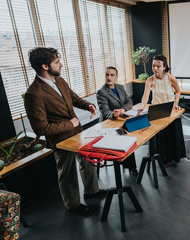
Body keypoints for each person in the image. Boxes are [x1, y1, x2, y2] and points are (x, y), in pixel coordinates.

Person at [24, 47, 104, 215]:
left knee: (87, 162)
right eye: (57, 62)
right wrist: (71, 123)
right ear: (45, 66)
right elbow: (40, 128)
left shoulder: (59, 80)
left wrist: (87, 105)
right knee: (67, 173)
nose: (61, 64)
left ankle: (92, 191)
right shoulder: (34, 93)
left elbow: (73, 98)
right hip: (61, 140)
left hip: (78, 133)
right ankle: (73, 205)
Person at [140, 54, 186, 165]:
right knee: (161, 137)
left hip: (170, 110)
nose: (155, 68)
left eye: (158, 66)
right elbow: (145, 96)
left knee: (172, 135)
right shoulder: (150, 80)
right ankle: (163, 158)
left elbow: (178, 92)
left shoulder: (171, 78)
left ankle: (174, 157)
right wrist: (142, 106)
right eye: (153, 65)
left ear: (164, 67)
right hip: (157, 111)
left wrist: (176, 103)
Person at [96, 66, 138, 175]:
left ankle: (130, 166)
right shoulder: (101, 92)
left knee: (130, 136)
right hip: (108, 124)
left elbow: (129, 102)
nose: (109, 77)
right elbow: (105, 111)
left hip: (120, 120)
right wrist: (114, 114)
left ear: (116, 77)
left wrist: (123, 109)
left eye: (112, 75)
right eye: (107, 75)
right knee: (124, 137)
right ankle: (127, 165)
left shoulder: (120, 87)